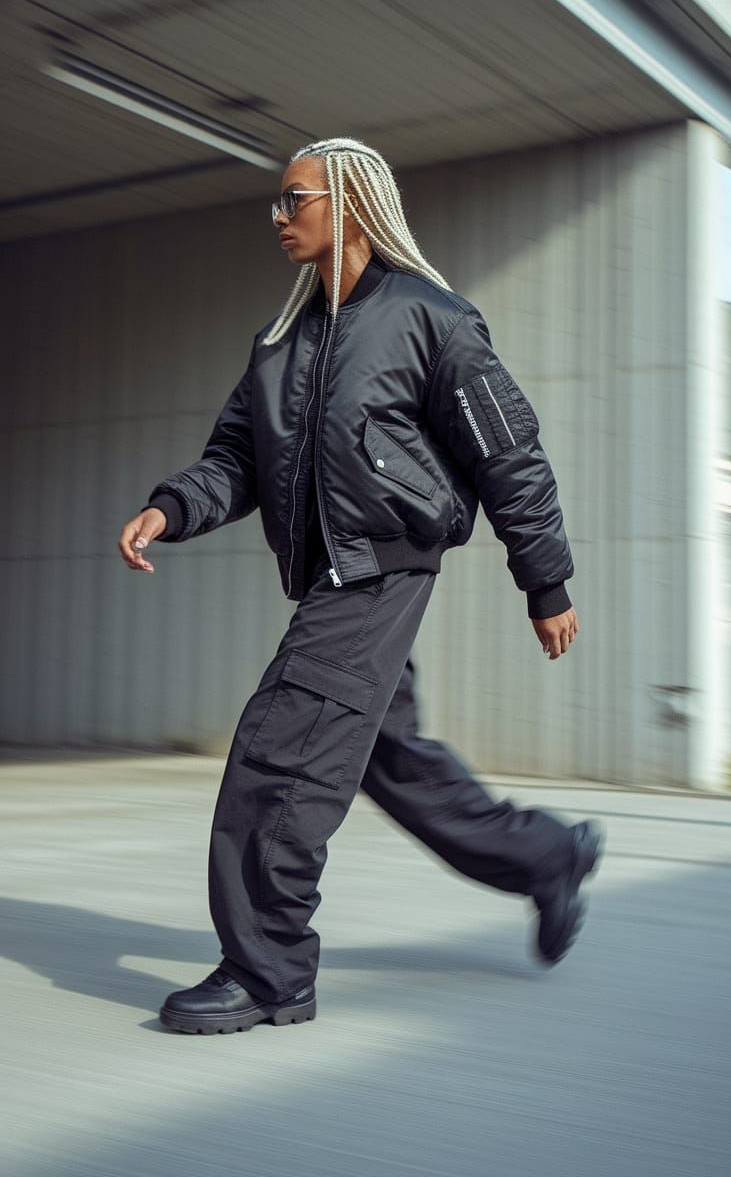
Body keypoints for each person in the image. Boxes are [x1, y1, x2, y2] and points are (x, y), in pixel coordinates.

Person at [118, 136, 603, 1036]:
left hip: (380, 573)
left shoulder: (432, 318)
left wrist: (547, 583)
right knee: (390, 758)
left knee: (280, 756)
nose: (278, 217)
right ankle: (547, 855)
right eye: (277, 202)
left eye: (292, 200)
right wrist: (173, 507)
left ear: (349, 204)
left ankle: (268, 975)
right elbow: (236, 458)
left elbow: (512, 459)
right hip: (330, 579)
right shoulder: (281, 340)